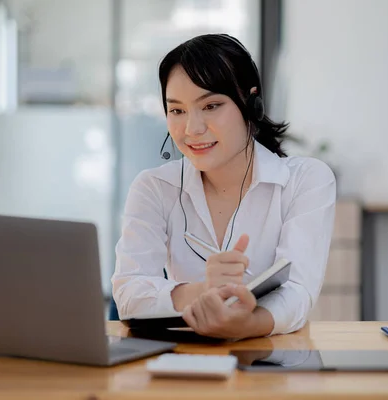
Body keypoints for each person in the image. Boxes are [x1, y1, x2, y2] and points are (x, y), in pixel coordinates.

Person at [111, 33, 336, 339]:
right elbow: (129, 296)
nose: (192, 129)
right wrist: (204, 291)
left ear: (251, 102)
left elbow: (298, 291)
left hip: (271, 365)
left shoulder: (305, 180)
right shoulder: (154, 188)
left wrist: (247, 324)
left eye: (211, 106)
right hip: (182, 363)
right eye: (177, 110)